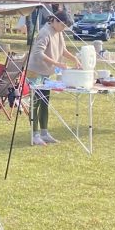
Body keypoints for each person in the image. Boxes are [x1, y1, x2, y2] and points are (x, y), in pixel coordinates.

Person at [25, 8, 79, 146]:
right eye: (63, 25)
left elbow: (63, 50)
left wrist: (75, 59)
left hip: (47, 73)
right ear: (55, 20)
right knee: (36, 102)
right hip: (34, 71)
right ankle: (35, 135)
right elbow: (38, 53)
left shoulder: (59, 32)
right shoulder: (45, 32)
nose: (63, 28)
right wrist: (56, 63)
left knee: (45, 102)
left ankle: (44, 133)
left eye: (65, 27)